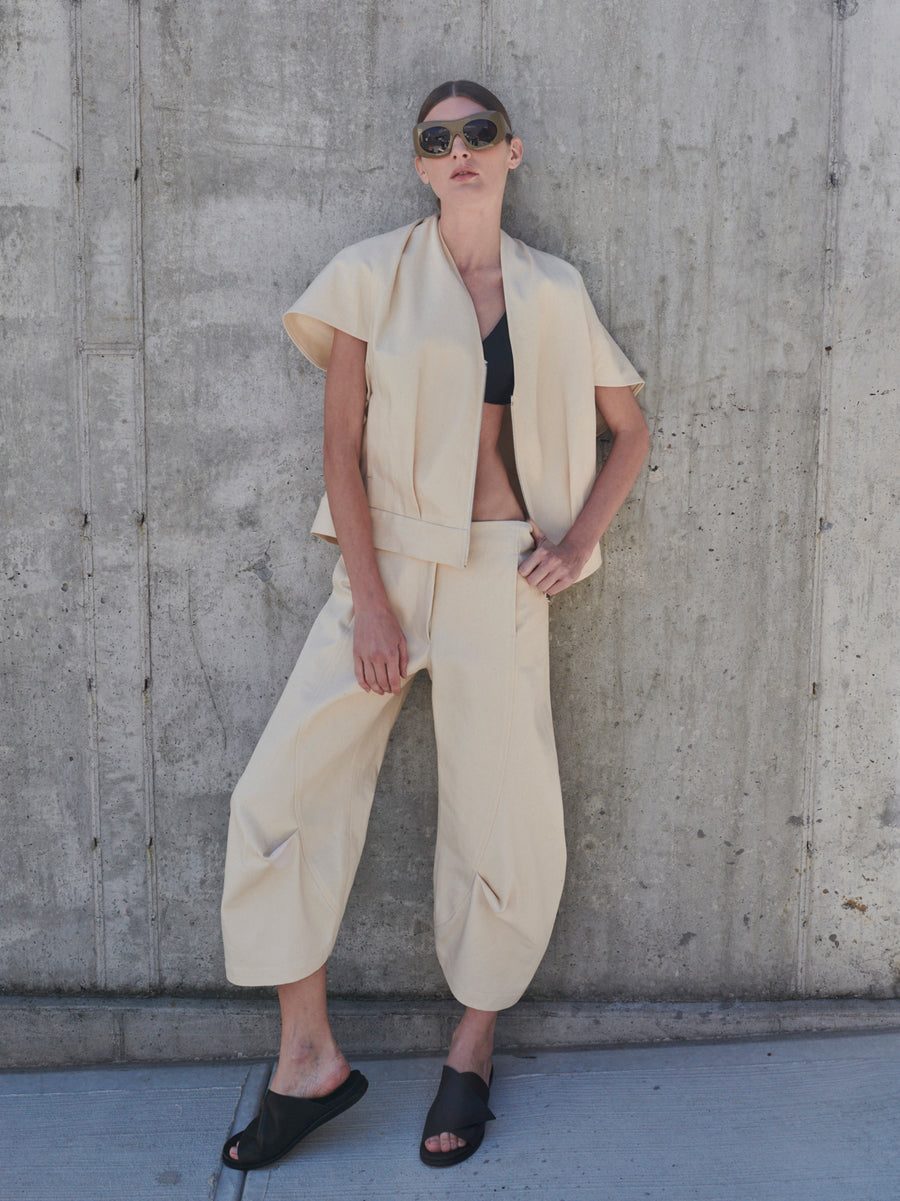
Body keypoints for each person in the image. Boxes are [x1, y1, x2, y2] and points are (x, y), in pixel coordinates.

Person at [220, 80, 649, 1172]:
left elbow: (630, 428)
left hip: (505, 576)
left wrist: (574, 539)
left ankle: (473, 1050)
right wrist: (368, 595)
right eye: (437, 137)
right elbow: (341, 448)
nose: (459, 150)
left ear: (514, 153)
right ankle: (306, 1055)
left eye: (479, 134)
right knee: (279, 791)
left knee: (501, 817)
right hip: (390, 569)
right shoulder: (372, 273)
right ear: (420, 163)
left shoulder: (554, 290)